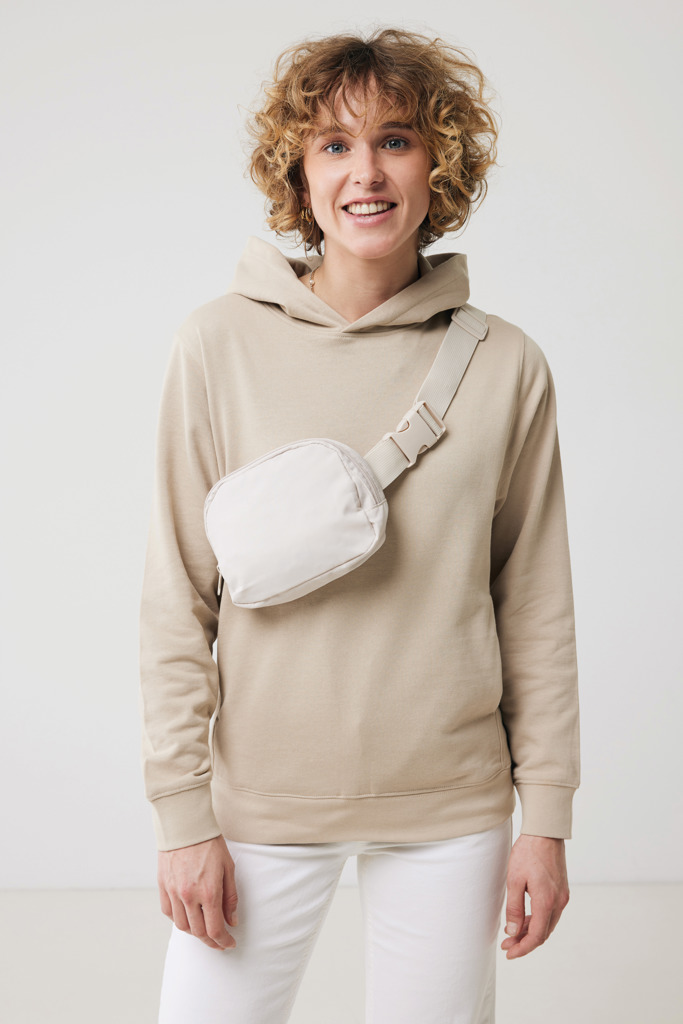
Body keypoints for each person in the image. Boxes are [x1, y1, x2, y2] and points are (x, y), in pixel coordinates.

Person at [139, 27, 580, 1024]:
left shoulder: (506, 364)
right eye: (333, 144)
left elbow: (535, 605)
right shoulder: (215, 344)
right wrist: (181, 818)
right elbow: (176, 597)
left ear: (438, 163)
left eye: (395, 139)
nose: (365, 172)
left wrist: (545, 817)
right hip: (257, 802)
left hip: (451, 808)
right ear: (298, 173)